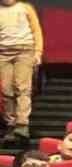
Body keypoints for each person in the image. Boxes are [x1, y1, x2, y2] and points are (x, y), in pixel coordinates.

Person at [0, 0, 43, 144]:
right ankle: (11, 123)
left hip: (24, 51)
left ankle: (22, 124)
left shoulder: (25, 8)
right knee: (6, 90)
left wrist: (37, 52)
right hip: (3, 53)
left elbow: (36, 30)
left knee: (22, 88)